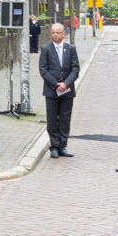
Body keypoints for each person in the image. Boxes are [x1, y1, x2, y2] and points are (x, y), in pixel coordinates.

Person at [40, 23, 80, 158]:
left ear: (63, 34)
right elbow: (43, 70)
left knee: (64, 118)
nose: (55, 35)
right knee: (52, 119)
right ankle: (54, 146)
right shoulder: (45, 49)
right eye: (53, 33)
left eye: (58, 33)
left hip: (67, 90)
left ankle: (62, 146)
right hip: (52, 90)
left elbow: (75, 69)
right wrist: (56, 84)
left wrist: (66, 84)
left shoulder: (71, 49)